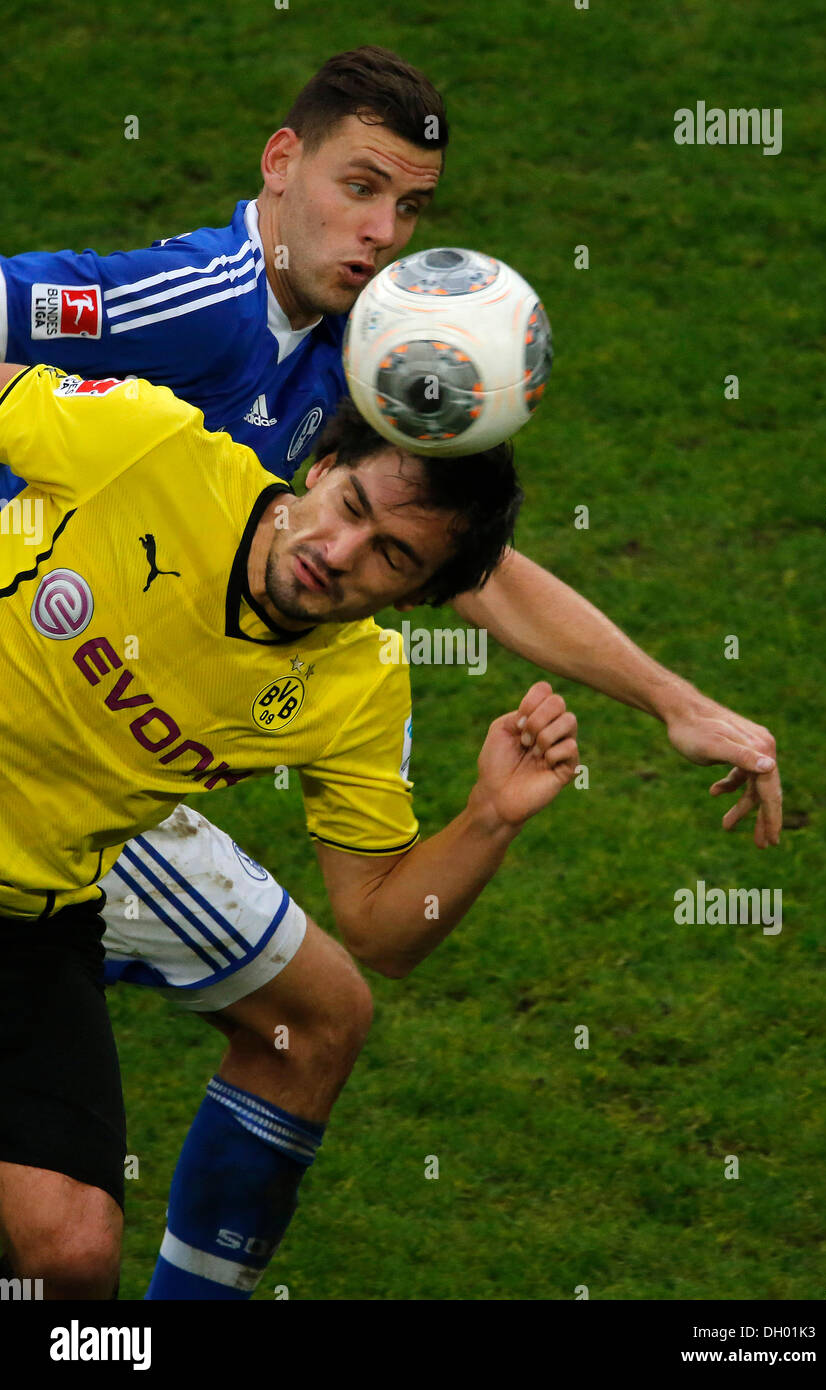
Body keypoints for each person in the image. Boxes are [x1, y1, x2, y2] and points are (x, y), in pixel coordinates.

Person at [0, 46, 781, 1299]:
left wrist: (666, 706)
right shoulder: (195, 310)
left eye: (408, 208)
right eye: (358, 190)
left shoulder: (358, 367)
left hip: (110, 764)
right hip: (39, 665)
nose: (380, 234)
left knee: (316, 1017)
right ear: (278, 163)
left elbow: (456, 555)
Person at [0, 359, 578, 1299]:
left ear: (418, 597)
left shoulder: (357, 689)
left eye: (391, 556)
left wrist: (488, 820)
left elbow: (382, 932)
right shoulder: (150, 444)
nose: (343, 551)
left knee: (71, 1256)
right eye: (351, 504)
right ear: (321, 465)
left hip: (31, 913)